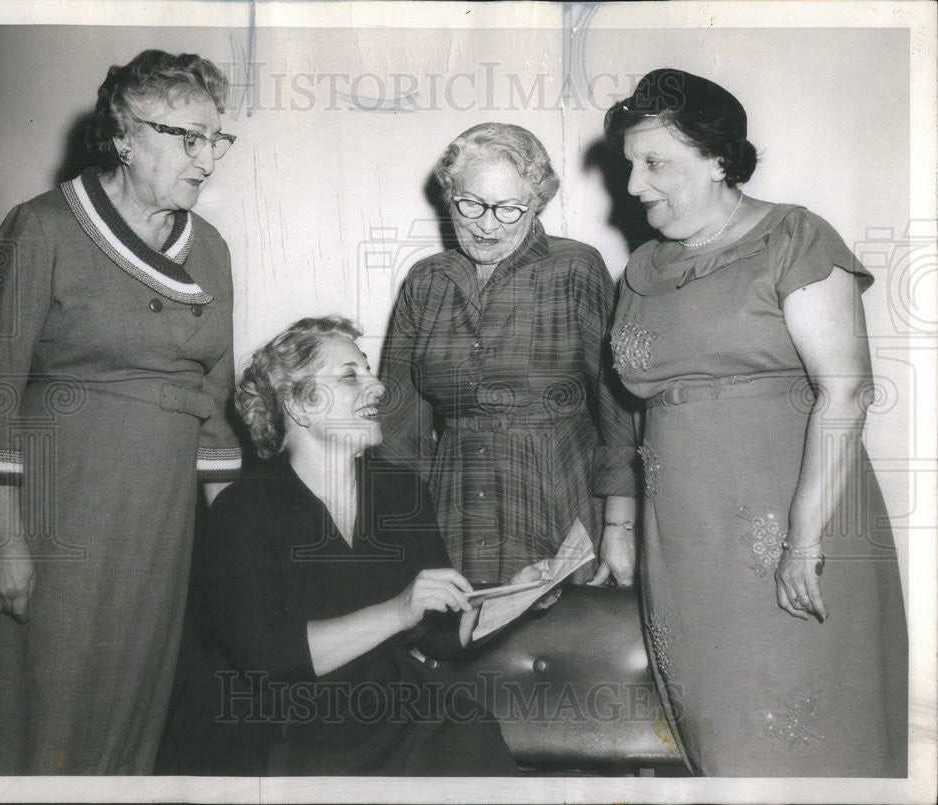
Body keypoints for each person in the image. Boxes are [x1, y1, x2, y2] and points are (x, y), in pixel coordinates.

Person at [602, 68, 907, 776]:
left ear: (717, 159)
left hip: (797, 527)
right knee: (723, 745)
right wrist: (618, 526)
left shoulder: (792, 236)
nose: (636, 186)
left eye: (656, 163)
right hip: (682, 541)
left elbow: (847, 391)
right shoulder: (641, 268)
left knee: (807, 736)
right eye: (630, 165)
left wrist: (802, 539)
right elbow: (622, 408)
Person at [0, 50, 241, 774]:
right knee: (37, 710)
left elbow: (214, 410)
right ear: (123, 135)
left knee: (133, 708)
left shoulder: (209, 249)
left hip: (161, 525)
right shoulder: (42, 228)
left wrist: (235, 556)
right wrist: (5, 541)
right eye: (188, 137)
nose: (207, 160)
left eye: (217, 139)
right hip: (61, 515)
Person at [159, 316, 532, 776]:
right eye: (351, 376)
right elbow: (266, 659)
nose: (377, 388)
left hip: (378, 699)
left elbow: (437, 632)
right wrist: (397, 610)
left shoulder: (402, 490)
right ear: (299, 404)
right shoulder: (242, 510)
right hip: (272, 714)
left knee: (467, 730)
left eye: (370, 372)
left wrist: (509, 600)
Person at [378, 122, 638, 588]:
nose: (487, 223)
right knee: (463, 643)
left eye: (510, 209)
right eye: (470, 203)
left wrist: (620, 525)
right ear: (448, 194)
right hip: (454, 501)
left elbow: (617, 408)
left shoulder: (575, 267)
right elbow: (400, 427)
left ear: (536, 204)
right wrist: (402, 539)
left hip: (558, 489)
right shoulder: (426, 281)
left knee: (559, 642)